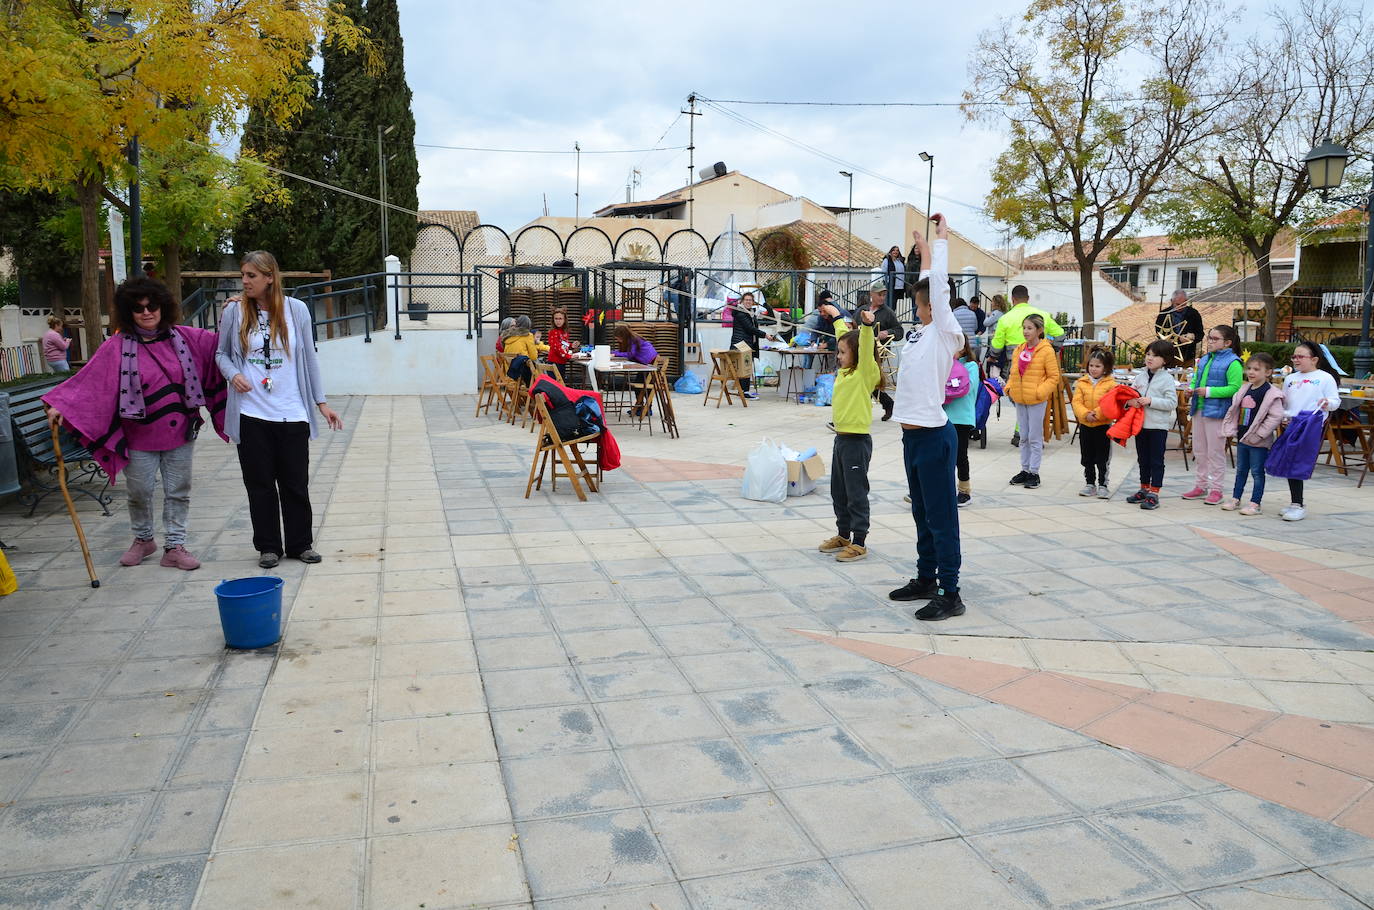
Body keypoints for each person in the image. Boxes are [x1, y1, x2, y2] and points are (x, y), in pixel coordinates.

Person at [43, 276, 228, 570]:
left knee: (178, 489)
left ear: (162, 307)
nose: (146, 312)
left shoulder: (187, 337)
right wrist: (61, 405)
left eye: (152, 305)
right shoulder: (116, 346)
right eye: (138, 307)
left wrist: (234, 313)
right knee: (139, 491)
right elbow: (90, 381)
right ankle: (143, 539)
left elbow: (222, 344)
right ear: (128, 311)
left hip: (181, 430)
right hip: (139, 435)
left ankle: (175, 546)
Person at [217, 251, 343, 569]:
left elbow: (309, 358)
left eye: (251, 276)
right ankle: (268, 546)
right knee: (259, 484)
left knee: (295, 483)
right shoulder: (234, 311)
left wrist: (321, 403)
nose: (244, 281)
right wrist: (234, 375)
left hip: (291, 411)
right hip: (251, 413)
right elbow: (221, 354)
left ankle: (301, 544)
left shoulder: (297, 310)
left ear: (270, 277)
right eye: (243, 275)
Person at [887, 215, 965, 621]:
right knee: (920, 512)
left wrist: (938, 244)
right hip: (912, 439)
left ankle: (950, 592)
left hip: (936, 437)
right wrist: (921, 255)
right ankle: (925, 578)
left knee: (941, 516)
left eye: (926, 305)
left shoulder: (946, 332)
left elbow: (937, 286)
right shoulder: (918, 334)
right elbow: (926, 286)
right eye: (920, 306)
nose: (921, 310)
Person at [819, 308, 881, 563]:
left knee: (856, 493)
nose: (839, 356)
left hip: (857, 442)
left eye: (844, 352)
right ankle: (843, 534)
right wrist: (835, 315)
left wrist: (866, 328)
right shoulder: (845, 373)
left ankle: (859, 541)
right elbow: (844, 334)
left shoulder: (864, 372)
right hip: (841, 440)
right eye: (839, 351)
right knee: (839, 491)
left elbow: (864, 348)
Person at [1269, 341, 1341, 522]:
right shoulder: (1290, 378)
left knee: (1297, 462)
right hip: (1291, 424)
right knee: (1287, 460)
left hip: (1310, 425)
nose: (1296, 360)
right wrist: (1283, 415)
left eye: (1300, 356)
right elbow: (1285, 402)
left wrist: (1327, 403)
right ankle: (1295, 502)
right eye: (1294, 356)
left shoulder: (1325, 378)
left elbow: (1335, 401)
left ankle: (1298, 504)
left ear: (1314, 359)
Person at [990, 286, 1064, 445]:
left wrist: (993, 356)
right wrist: (1050, 349)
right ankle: (1024, 433)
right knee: (1032, 400)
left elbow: (996, 347)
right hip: (1038, 364)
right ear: (1028, 298)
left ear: (1013, 300)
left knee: (1018, 399)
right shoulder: (1042, 315)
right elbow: (1060, 334)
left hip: (1015, 365)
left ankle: (1021, 432)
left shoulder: (1005, 318)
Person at [1180, 325, 1243, 504]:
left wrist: (1208, 391)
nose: (1210, 342)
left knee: (1215, 452)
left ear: (1227, 343)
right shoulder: (1205, 359)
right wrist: (1191, 389)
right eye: (1209, 338)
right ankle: (1200, 485)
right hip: (1199, 409)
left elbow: (1235, 388)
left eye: (1215, 339)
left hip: (1217, 412)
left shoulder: (1233, 362)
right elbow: (1195, 379)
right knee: (1199, 450)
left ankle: (1217, 489)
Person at [1220, 352, 1284, 515]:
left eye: (1256, 369)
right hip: (1242, 437)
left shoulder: (1272, 393)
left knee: (1256, 472)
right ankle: (1236, 498)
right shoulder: (1244, 389)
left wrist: (1260, 435)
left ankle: (1255, 503)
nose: (1251, 372)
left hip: (1258, 442)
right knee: (1241, 469)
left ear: (1268, 372)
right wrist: (1231, 429)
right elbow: (1235, 410)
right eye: (1249, 368)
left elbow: (1275, 416)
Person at [1004, 314, 1061, 490]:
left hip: (1036, 400)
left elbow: (1053, 376)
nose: (1026, 331)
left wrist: (1039, 392)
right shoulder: (1019, 349)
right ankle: (1025, 469)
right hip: (1020, 398)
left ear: (1039, 330)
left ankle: (1034, 472)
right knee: (1024, 437)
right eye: (1024, 328)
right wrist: (1009, 388)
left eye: (1030, 328)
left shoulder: (1046, 350)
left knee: (1035, 438)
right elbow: (1014, 371)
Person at [1124, 340, 1180, 511]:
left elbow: (1172, 403)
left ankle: (1154, 493)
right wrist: (1129, 402)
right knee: (1143, 459)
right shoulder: (1140, 376)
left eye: (1155, 356)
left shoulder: (1167, 379)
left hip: (1158, 427)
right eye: (1148, 354)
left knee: (1156, 460)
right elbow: (1131, 394)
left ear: (1165, 360)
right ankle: (1144, 488)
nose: (1150, 358)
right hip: (1140, 425)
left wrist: (1151, 401)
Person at [1072, 347, 1118, 498]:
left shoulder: (1111, 384)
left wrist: (1097, 414)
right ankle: (1090, 483)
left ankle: (1103, 484)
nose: (1094, 369)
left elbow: (1111, 402)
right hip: (1086, 426)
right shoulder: (1082, 382)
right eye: (1091, 365)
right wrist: (1085, 414)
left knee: (1102, 458)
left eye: (1098, 366)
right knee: (1087, 456)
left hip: (1102, 426)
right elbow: (1076, 402)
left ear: (1105, 368)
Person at [945, 335, 980, 507]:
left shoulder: (971, 366)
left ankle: (964, 490)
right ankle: (942, 489)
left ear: (964, 348)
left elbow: (966, 388)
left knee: (960, 455)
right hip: (944, 417)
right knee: (942, 456)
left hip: (962, 419)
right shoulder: (945, 365)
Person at [866, 287, 903, 420]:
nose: (882, 298)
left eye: (884, 295)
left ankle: (864, 409)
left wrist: (888, 333)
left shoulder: (888, 313)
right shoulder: (863, 309)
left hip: (878, 352)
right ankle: (888, 404)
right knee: (866, 381)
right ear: (872, 294)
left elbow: (899, 331)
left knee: (868, 380)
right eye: (879, 295)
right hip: (860, 349)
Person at [728, 291, 771, 399]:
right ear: (742, 301)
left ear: (753, 302)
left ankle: (743, 390)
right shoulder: (741, 313)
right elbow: (750, 328)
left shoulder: (750, 313)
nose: (748, 302)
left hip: (746, 343)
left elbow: (753, 327)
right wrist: (765, 335)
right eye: (746, 300)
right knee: (745, 367)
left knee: (746, 367)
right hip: (741, 344)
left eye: (750, 300)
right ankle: (745, 392)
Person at [1154, 290, 1205, 365]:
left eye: (1183, 304)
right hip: (1168, 356)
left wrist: (1192, 337)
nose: (1180, 307)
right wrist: (1178, 339)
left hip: (1188, 356)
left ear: (1187, 301)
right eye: (1177, 304)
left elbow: (1200, 334)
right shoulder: (1164, 314)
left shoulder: (1193, 314)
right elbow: (1159, 334)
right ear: (1172, 301)